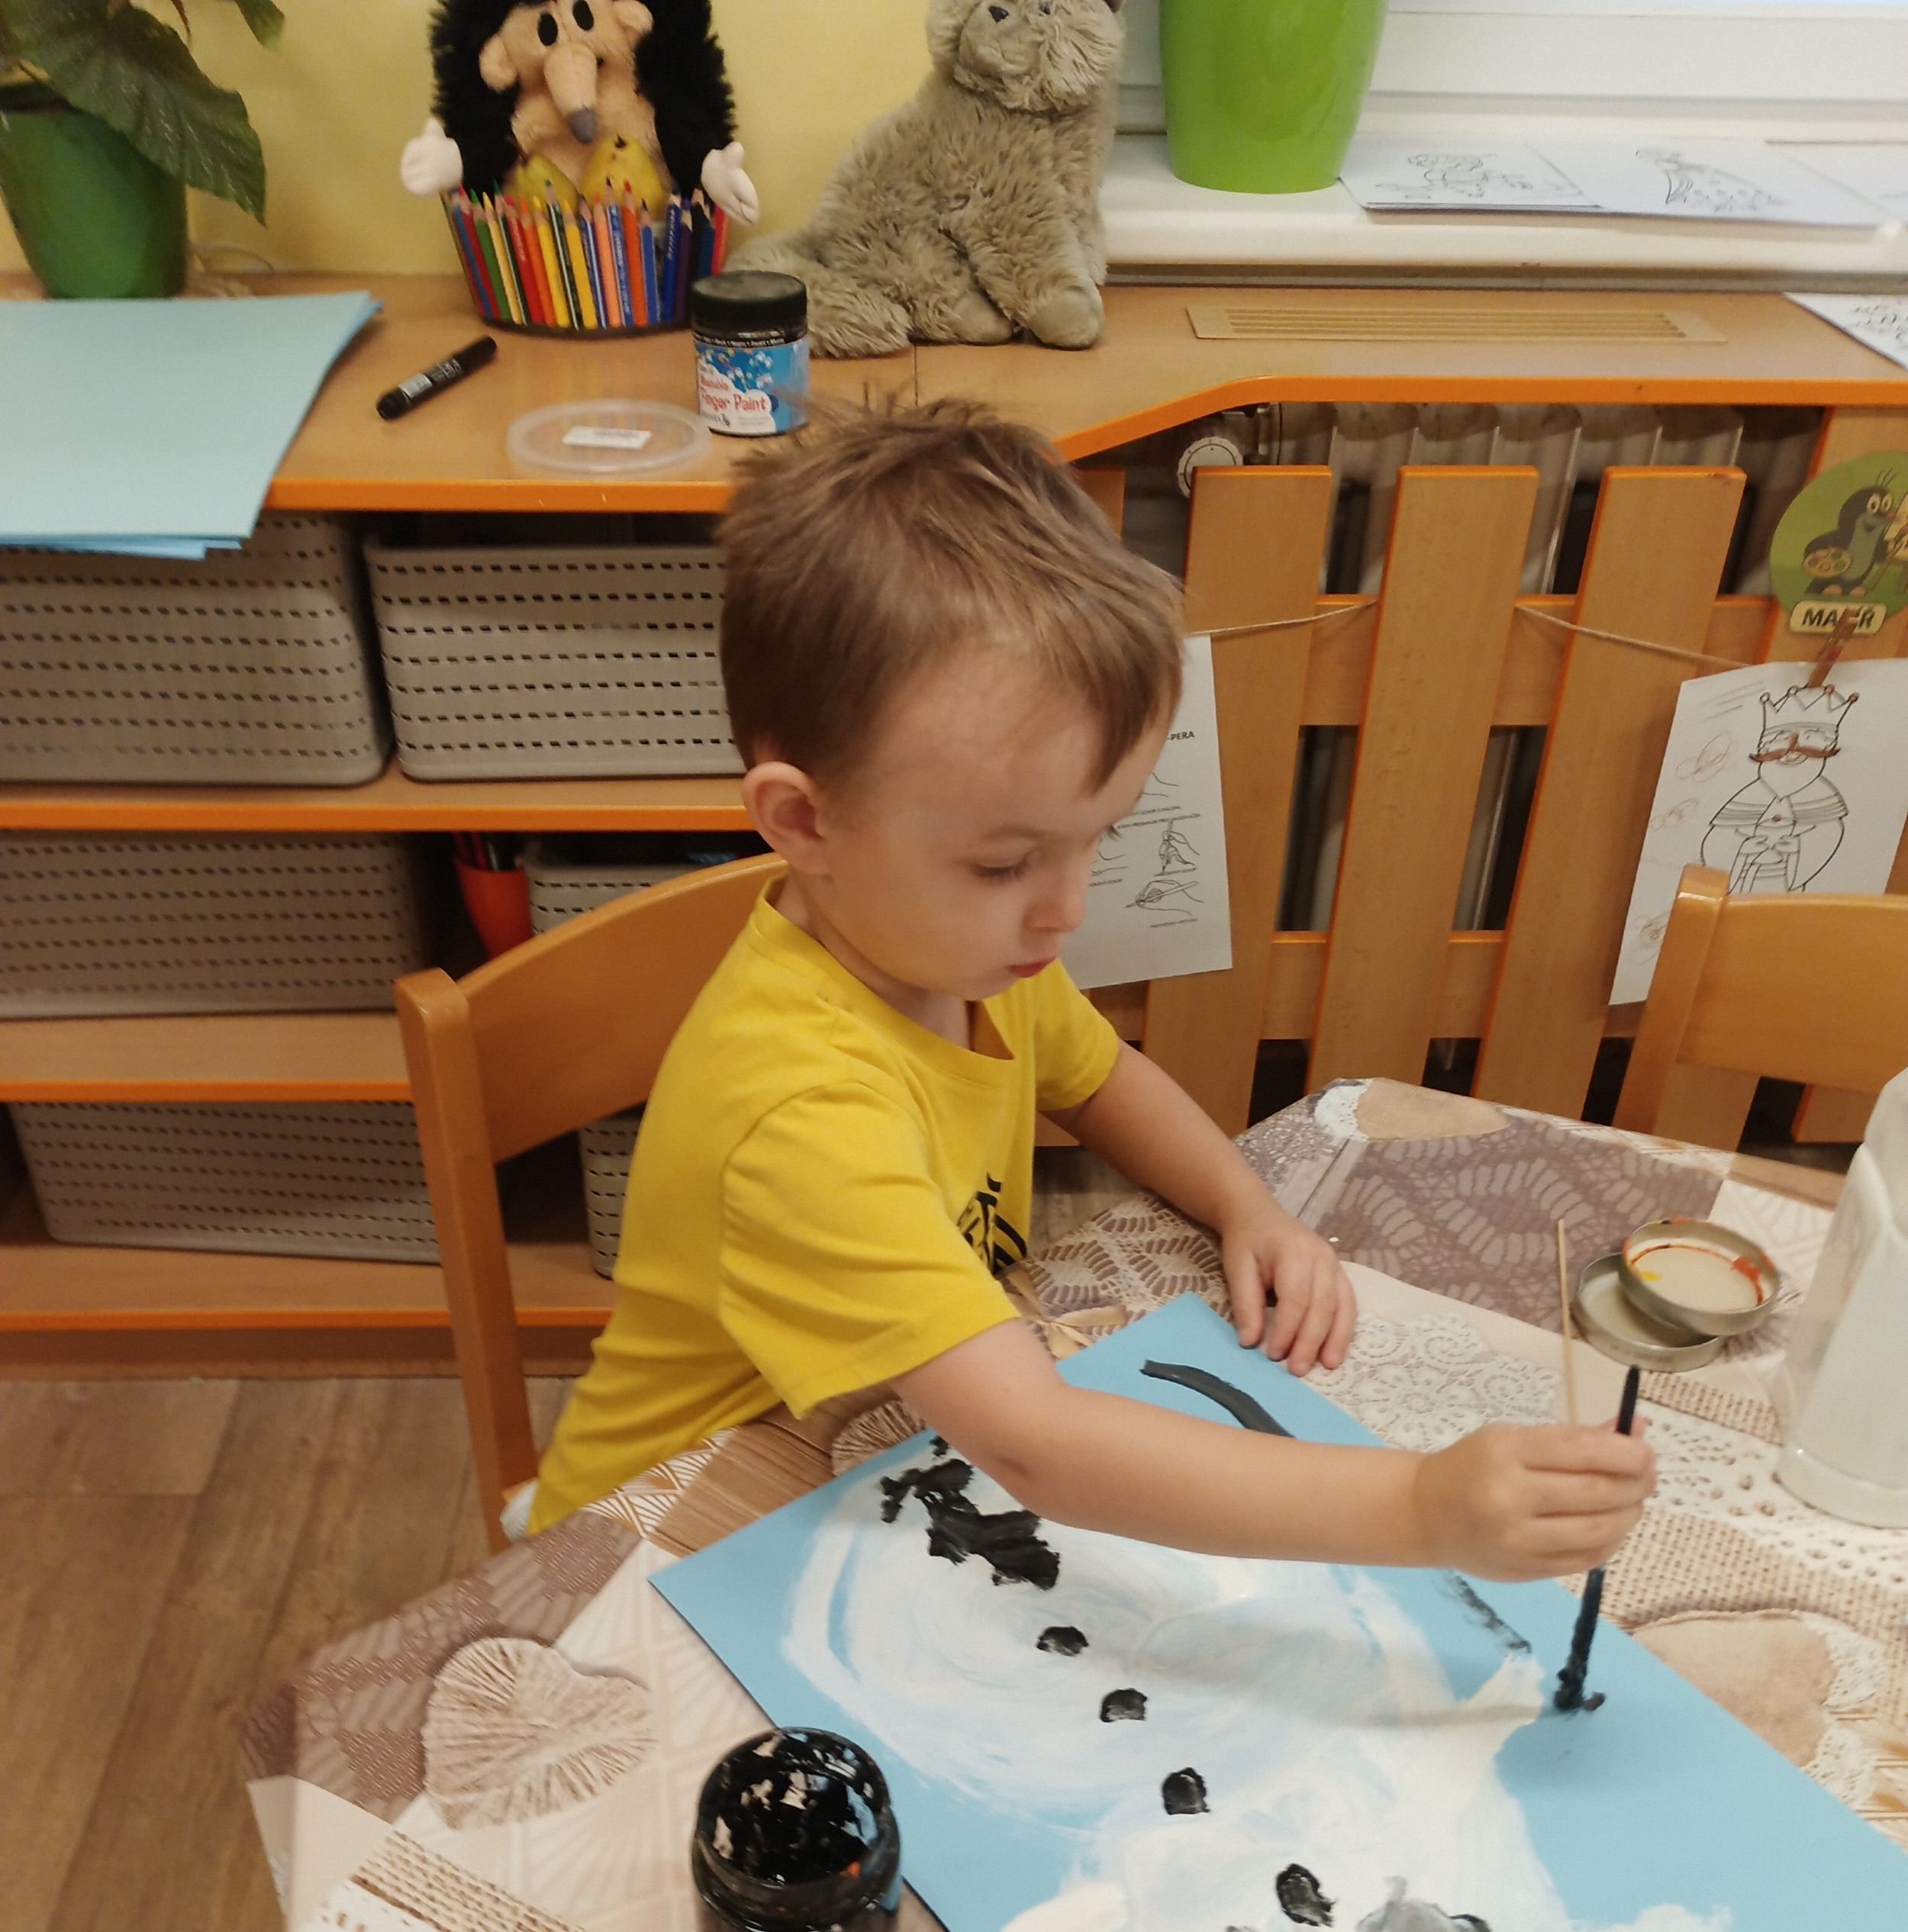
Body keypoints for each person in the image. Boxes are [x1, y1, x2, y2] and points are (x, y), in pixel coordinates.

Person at [528, 400, 1654, 1579]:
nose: (1065, 909)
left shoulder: (953, 952)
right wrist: (1420, 1508)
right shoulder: (798, 1109)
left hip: (846, 1441)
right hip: (655, 1540)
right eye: (1006, 863)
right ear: (804, 823)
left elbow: (1103, 1078)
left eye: (1095, 840)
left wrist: (1246, 1207)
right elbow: (1041, 1448)